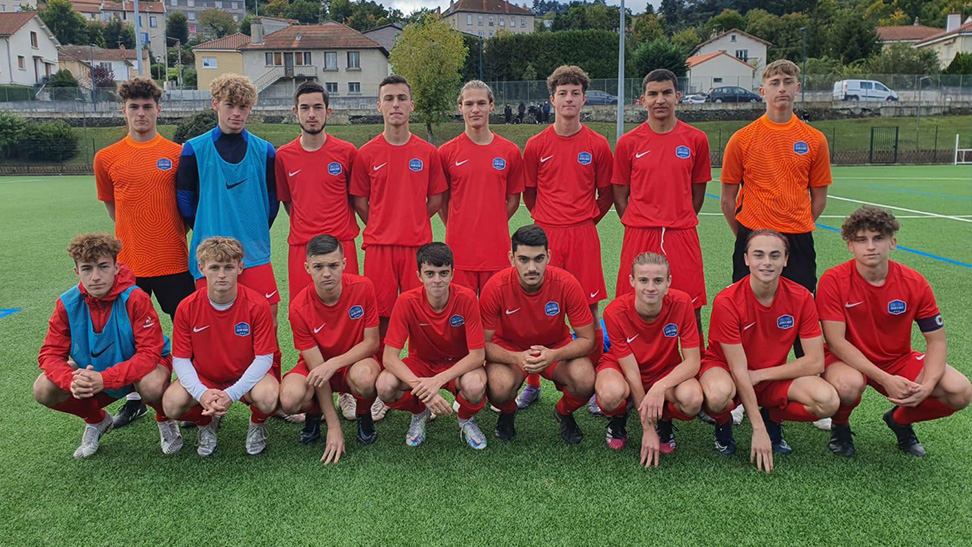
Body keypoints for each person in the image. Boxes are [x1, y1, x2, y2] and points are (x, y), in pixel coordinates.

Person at [818, 207, 971, 457]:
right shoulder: (833, 280)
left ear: (893, 242)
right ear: (850, 246)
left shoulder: (914, 282)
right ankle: (841, 426)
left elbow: (936, 341)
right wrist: (885, 379)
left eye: (878, 238)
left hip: (897, 360)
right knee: (847, 385)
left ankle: (899, 420)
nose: (870, 246)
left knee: (960, 391)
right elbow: (836, 342)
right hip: (845, 360)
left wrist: (927, 385)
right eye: (862, 240)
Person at [94, 77, 193, 429]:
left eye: (147, 107)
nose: (141, 113)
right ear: (123, 111)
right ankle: (135, 398)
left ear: (158, 110)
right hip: (128, 265)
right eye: (134, 107)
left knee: (188, 329)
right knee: (130, 334)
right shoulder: (106, 158)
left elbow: (186, 207)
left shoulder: (177, 154)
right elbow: (113, 208)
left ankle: (190, 393)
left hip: (173, 260)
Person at [700, 229, 838, 473]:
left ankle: (772, 419)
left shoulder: (802, 297)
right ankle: (723, 425)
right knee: (717, 395)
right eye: (758, 255)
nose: (767, 262)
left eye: (775, 255)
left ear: (785, 260)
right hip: (728, 370)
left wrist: (762, 375)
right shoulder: (727, 301)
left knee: (828, 401)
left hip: (770, 373)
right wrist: (757, 430)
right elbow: (739, 369)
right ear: (746, 259)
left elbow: (816, 362)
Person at [33, 234, 181, 458]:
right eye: (87, 269)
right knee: (43, 388)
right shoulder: (66, 303)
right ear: (77, 271)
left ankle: (164, 418)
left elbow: (149, 354)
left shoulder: (136, 298)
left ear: (116, 268)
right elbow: (50, 354)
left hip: (142, 369)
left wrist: (105, 379)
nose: (95, 277)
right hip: (95, 370)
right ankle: (97, 420)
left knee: (151, 384)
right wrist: (71, 380)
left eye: (103, 267)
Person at [520, 65, 613, 409]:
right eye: (563, 93)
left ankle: (593, 383)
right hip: (547, 237)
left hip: (583, 235)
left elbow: (606, 195)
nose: (569, 99)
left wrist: (583, 220)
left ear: (584, 99)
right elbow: (529, 193)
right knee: (537, 311)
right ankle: (532, 383)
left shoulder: (598, 144)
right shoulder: (536, 145)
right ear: (552, 99)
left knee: (589, 310)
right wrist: (548, 221)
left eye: (575, 93)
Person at [613, 69, 710, 343]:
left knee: (691, 304)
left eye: (666, 93)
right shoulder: (628, 142)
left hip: (682, 233)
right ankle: (630, 361)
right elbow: (620, 194)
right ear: (642, 99)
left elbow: (698, 192)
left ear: (677, 97)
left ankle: (697, 361)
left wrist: (678, 216)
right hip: (640, 233)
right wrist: (638, 220)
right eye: (653, 94)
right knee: (631, 302)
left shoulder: (696, 139)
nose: (660, 100)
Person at [720, 59, 830, 300]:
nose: (782, 88)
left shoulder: (815, 139)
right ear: (763, 91)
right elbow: (727, 200)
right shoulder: (742, 139)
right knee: (748, 306)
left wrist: (797, 224)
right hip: (753, 234)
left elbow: (820, 199)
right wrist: (745, 236)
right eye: (775, 83)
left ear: (797, 88)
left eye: (788, 82)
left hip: (798, 238)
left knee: (801, 305)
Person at [349, 74, 447, 342]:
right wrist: (381, 222)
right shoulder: (366, 153)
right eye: (389, 99)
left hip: (417, 246)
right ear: (379, 106)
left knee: (421, 314)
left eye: (402, 98)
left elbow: (436, 199)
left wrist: (413, 219)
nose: (395, 104)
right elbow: (360, 202)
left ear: (411, 105)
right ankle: (381, 367)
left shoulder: (428, 152)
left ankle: (418, 365)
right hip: (379, 248)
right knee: (380, 317)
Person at [163, 237, 280, 457]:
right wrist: (202, 393)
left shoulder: (257, 305)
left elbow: (265, 358)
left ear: (240, 267)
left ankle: (257, 423)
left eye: (228, 267)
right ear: (202, 268)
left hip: (246, 376)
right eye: (214, 267)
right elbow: (180, 359)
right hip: (206, 376)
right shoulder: (187, 307)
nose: (222, 274)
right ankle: (205, 423)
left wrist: (231, 394)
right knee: (171, 404)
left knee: (268, 396)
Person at [176, 73, 281, 317]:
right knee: (213, 321)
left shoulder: (264, 150)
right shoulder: (194, 149)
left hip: (254, 252)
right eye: (229, 105)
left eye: (243, 107)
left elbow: (272, 200)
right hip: (210, 254)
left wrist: (254, 229)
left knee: (267, 317)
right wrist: (205, 226)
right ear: (215, 104)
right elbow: (185, 199)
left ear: (250, 108)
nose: (236, 113)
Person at [481, 225, 597, 444]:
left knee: (585, 379)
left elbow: (588, 339)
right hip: (510, 348)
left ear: (548, 256)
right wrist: (515, 357)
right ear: (511, 258)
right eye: (523, 259)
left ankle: (563, 412)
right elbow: (481, 344)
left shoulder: (566, 283)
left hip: (555, 346)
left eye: (539, 259)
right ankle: (508, 412)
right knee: (498, 387)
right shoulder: (495, 287)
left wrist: (554, 355)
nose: (531, 267)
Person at [278, 235, 381, 461]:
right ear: (307, 268)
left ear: (344, 264)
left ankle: (364, 415)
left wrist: (334, 363)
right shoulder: (298, 307)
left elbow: (372, 343)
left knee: (366, 377)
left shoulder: (363, 287)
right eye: (318, 267)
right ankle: (314, 414)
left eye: (333, 265)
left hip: (353, 363)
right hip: (316, 368)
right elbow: (318, 370)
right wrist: (334, 427)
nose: (326, 273)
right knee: (290, 398)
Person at [378, 243, 489, 449]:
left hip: (458, 364)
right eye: (430, 273)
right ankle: (419, 412)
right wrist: (423, 389)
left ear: (452, 273)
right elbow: (389, 358)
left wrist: (437, 381)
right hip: (421, 363)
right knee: (384, 386)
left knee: (475, 386)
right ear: (419, 276)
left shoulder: (466, 298)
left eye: (443, 273)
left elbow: (477, 355)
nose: (437, 280)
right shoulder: (406, 301)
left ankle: (465, 418)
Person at [595, 253, 702, 466]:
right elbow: (631, 372)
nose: (651, 287)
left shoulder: (682, 303)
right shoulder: (614, 312)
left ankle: (665, 420)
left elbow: (693, 362)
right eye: (643, 280)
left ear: (668, 282)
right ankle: (619, 417)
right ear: (632, 281)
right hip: (623, 369)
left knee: (692, 399)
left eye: (658, 280)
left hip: (665, 370)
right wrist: (647, 428)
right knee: (609, 394)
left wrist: (659, 387)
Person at [276, 82, 359, 303]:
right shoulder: (283, 156)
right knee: (303, 309)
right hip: (302, 246)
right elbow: (288, 201)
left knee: (349, 309)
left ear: (328, 111)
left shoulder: (347, 152)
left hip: (341, 244)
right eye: (305, 108)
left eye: (318, 107)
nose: (311, 114)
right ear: (295, 112)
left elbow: (355, 197)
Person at [438, 80, 524, 294]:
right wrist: (459, 225)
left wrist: (493, 222)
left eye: (481, 103)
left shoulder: (510, 151)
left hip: (496, 251)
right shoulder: (446, 152)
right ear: (460, 108)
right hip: (460, 251)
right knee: (460, 311)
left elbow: (514, 199)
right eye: (469, 104)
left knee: (497, 311)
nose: (475, 109)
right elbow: (441, 201)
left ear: (491, 106)